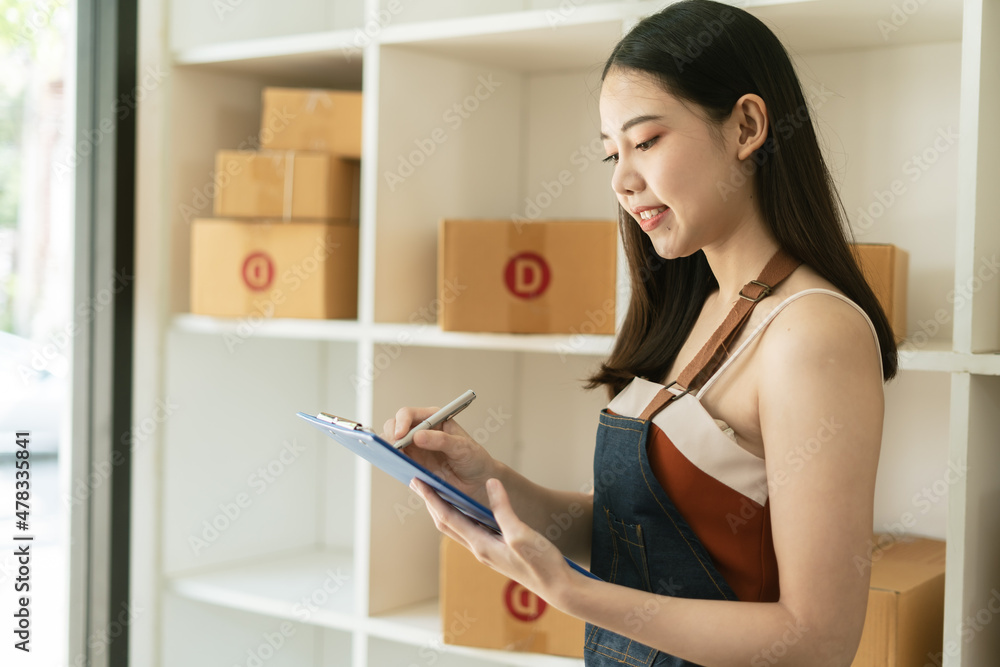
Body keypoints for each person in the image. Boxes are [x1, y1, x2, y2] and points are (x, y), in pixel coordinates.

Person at [385, 1, 897, 664]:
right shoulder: (702, 305)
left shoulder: (812, 332)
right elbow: (653, 536)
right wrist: (489, 483)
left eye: (647, 141)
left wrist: (571, 593)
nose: (624, 181)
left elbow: (819, 640)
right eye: (611, 155)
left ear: (746, 126)